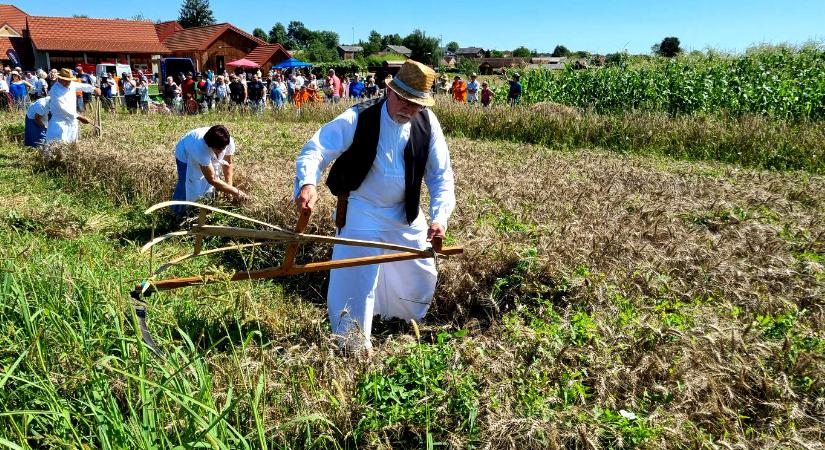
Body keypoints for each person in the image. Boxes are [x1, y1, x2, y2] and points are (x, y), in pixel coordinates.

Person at [294, 59, 456, 353]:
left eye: (416, 104)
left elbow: (441, 176)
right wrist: (308, 183)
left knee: (419, 272)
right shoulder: (358, 116)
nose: (409, 109)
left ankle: (398, 321)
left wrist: (439, 218)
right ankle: (352, 345)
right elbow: (316, 149)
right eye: (404, 101)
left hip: (403, 212)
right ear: (390, 92)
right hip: (362, 208)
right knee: (356, 277)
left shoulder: (428, 123)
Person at [171, 125, 249, 215]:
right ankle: (177, 213)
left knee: (208, 187)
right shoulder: (200, 147)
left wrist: (229, 186)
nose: (221, 151)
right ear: (210, 146)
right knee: (187, 184)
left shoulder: (227, 141)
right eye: (218, 149)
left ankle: (203, 210)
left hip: (203, 153)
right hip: (185, 154)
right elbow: (212, 179)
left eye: (223, 148)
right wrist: (237, 192)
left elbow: (228, 164)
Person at [46, 68, 100, 144]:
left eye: (70, 80)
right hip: (60, 122)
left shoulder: (71, 84)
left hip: (72, 121)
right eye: (67, 80)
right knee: (58, 144)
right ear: (60, 79)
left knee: (72, 143)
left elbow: (82, 86)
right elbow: (62, 108)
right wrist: (79, 117)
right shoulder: (55, 90)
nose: (69, 82)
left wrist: (94, 89)